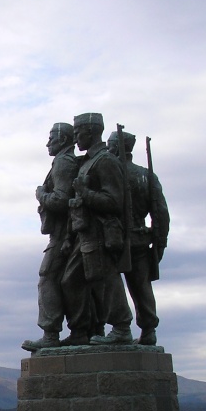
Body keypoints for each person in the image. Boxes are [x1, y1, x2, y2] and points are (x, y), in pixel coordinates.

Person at [94, 130, 171, 345]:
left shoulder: (111, 173)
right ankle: (148, 330)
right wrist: (160, 243)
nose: (108, 150)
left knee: (111, 285)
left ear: (117, 147)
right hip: (140, 239)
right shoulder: (147, 176)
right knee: (141, 287)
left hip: (113, 240)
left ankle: (119, 327)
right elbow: (161, 215)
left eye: (110, 146)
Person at [58, 112, 127, 346]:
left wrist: (85, 193)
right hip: (83, 232)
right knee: (71, 281)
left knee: (106, 279)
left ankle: (121, 327)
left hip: (101, 232)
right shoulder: (86, 162)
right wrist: (69, 235)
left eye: (78, 133)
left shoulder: (105, 161)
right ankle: (80, 331)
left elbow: (115, 201)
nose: (75, 138)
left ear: (91, 131)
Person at [22, 123, 80, 352]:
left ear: (64, 139)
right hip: (67, 233)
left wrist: (40, 194)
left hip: (64, 234)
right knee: (69, 282)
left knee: (47, 277)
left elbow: (60, 200)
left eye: (51, 138)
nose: (48, 143)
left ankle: (50, 333)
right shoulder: (66, 161)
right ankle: (78, 330)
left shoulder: (63, 162)